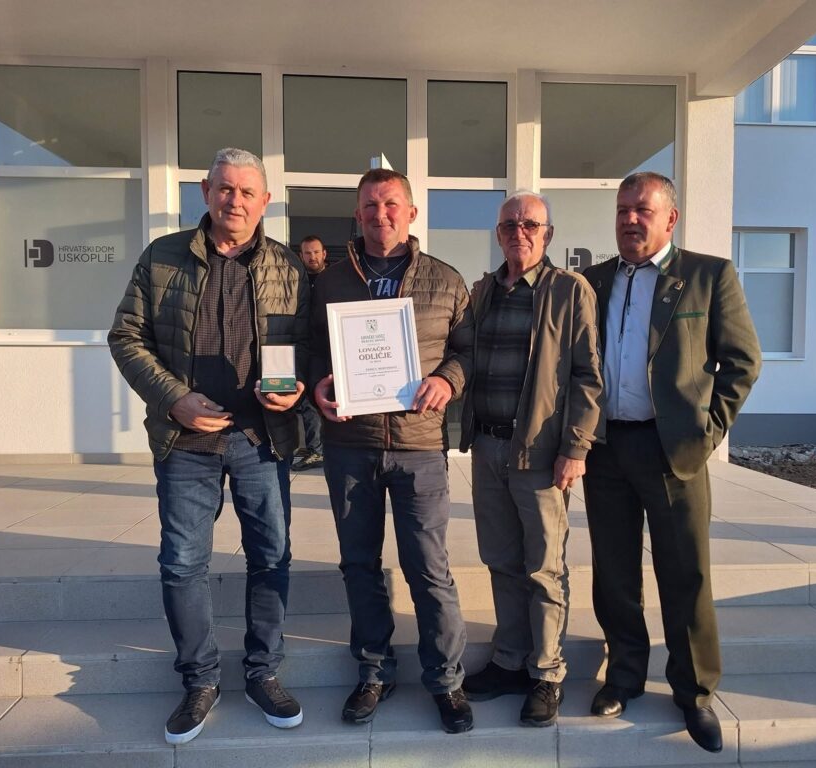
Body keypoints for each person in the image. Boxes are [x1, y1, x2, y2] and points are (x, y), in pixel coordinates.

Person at [108, 147, 309, 744]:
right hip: (187, 440)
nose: (234, 201)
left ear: (265, 201)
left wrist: (295, 388)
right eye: (225, 188)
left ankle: (263, 672)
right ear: (205, 191)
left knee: (271, 556)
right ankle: (200, 680)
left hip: (261, 438)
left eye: (247, 192)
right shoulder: (162, 257)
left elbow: (309, 346)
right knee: (182, 563)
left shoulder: (289, 267)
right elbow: (126, 336)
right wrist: (174, 398)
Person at [582, 172, 761, 753]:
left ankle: (695, 691)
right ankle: (624, 676)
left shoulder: (708, 276)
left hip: (672, 451)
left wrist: (707, 431)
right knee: (614, 573)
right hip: (607, 449)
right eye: (622, 209)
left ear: (670, 219)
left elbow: (743, 362)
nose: (630, 219)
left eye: (642, 209)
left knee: (685, 573)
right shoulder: (594, 280)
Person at [309, 168, 475, 734]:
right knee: (359, 564)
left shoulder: (445, 280)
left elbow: (468, 350)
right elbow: (311, 347)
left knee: (428, 567)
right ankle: (374, 671)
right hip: (350, 444)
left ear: (411, 213)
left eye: (391, 204)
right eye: (370, 205)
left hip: (419, 445)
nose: (380, 214)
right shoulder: (329, 281)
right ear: (357, 214)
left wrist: (449, 378)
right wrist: (318, 384)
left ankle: (446, 680)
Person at [459, 192, 602, 727]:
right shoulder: (482, 292)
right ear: (498, 234)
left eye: (529, 224)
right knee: (500, 559)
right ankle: (509, 660)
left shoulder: (569, 290)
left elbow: (588, 375)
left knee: (543, 567)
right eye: (509, 225)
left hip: (541, 454)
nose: (518, 232)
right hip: (488, 447)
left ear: (548, 234)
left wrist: (576, 447)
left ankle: (546, 673)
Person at [290, 235, 327, 472]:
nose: (312, 257)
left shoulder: (333, 280)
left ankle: (318, 450)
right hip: (301, 347)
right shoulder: (296, 281)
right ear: (301, 256)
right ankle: (313, 447)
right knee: (302, 399)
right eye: (307, 253)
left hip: (325, 350)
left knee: (312, 401)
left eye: (316, 252)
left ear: (324, 254)